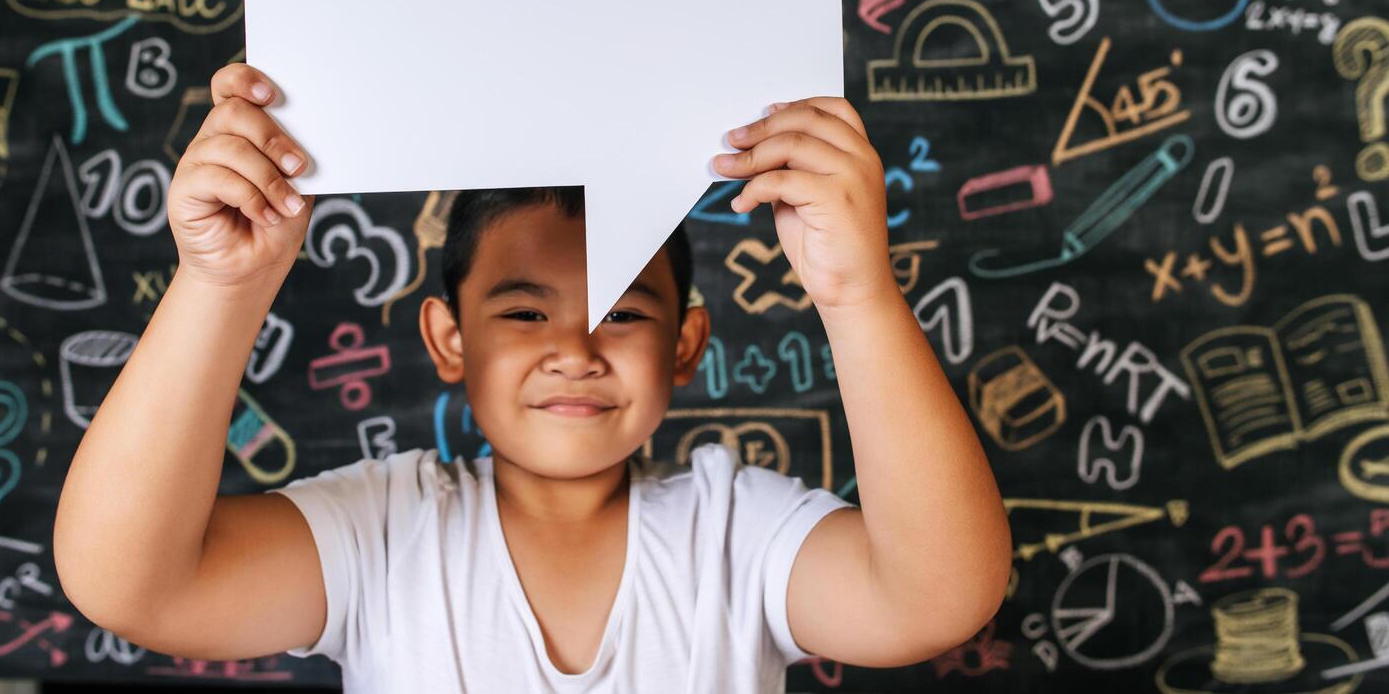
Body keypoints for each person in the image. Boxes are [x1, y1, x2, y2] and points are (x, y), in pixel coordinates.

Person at [53, 62, 1012, 692]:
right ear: (447, 339)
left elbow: (938, 600)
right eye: (521, 311)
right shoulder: (385, 534)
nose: (576, 349)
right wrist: (223, 283)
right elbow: (131, 585)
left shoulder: (736, 535)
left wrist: (857, 295)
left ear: (686, 343)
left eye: (625, 313)